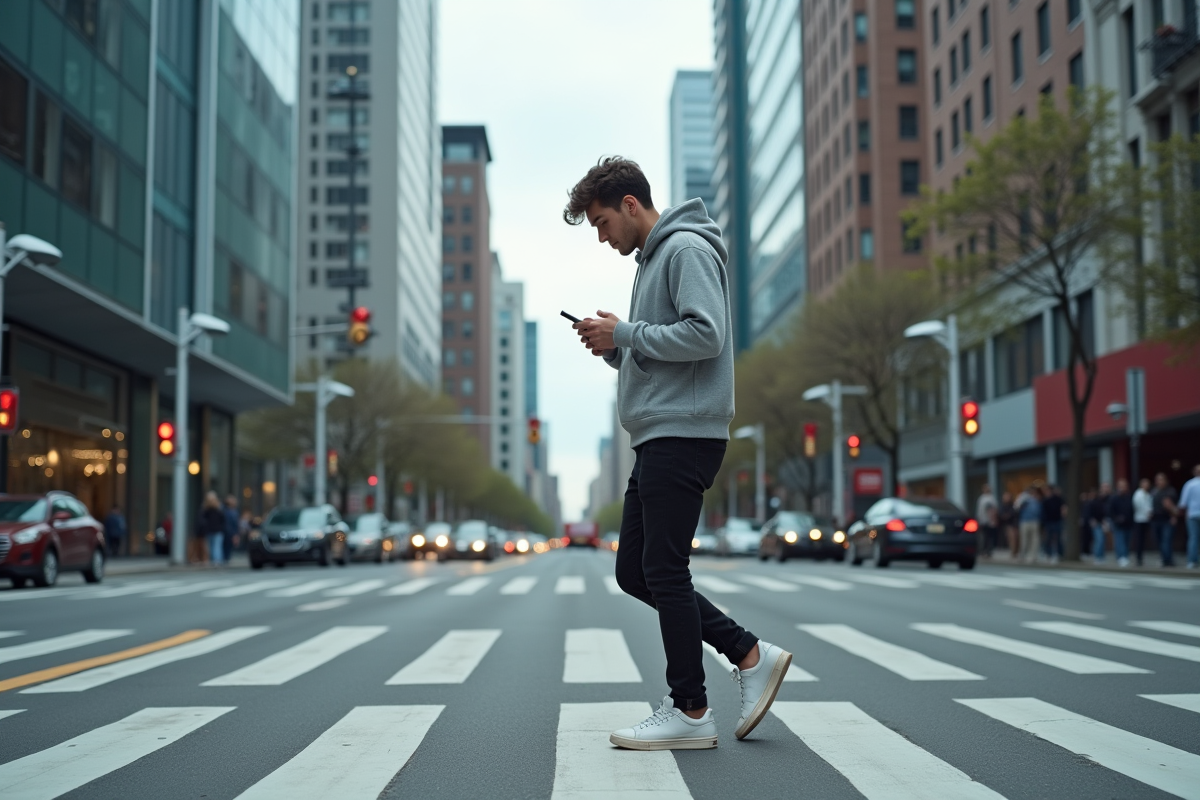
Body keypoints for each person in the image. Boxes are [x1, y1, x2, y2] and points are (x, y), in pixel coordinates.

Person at [565, 157, 792, 751]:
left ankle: (691, 710)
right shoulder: (653, 260)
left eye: (602, 221)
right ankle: (746, 652)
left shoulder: (684, 249)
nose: (601, 235)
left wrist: (626, 334)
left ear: (631, 205)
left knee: (663, 570)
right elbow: (669, 350)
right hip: (660, 433)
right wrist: (616, 347)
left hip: (683, 434)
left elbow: (706, 335)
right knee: (635, 569)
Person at [1151, 473, 1179, 567]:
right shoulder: (1154, 492)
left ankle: (1168, 561)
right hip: (1156, 519)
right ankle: (1164, 558)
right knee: (1159, 541)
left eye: (1161, 479)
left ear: (1165, 481)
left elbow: (1175, 508)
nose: (1159, 482)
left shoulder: (1170, 491)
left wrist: (1173, 513)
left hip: (1167, 519)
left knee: (1166, 540)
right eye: (1157, 480)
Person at [1106, 479, 1134, 568]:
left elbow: (1132, 510)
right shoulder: (1114, 498)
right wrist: (1116, 519)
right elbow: (1110, 511)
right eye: (1121, 486)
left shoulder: (1129, 497)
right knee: (1120, 541)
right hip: (1118, 524)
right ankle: (1121, 557)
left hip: (1128, 524)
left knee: (1127, 541)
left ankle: (1125, 556)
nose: (1123, 488)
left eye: (1124, 486)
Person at [1179, 464, 1200, 569]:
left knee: (1193, 538)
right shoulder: (1190, 484)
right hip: (1193, 514)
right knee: (1194, 538)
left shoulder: (1189, 484)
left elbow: (1183, 503)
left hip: (1192, 514)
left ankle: (1192, 561)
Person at [1015, 485, 1042, 563]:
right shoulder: (1024, 499)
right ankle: (1022, 555)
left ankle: (1033, 556)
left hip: (1035, 521)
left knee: (1034, 540)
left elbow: (1039, 511)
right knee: (1025, 539)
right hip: (1025, 521)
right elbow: (1017, 507)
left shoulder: (1037, 500)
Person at [198, 492, 225, 565]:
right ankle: (216, 561)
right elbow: (223, 520)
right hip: (216, 530)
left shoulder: (206, 509)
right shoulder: (219, 508)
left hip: (211, 530)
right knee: (216, 546)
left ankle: (215, 560)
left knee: (212, 546)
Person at [1132, 477, 1154, 567]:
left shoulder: (1148, 494)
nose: (1147, 485)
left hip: (1146, 519)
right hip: (1139, 519)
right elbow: (1138, 505)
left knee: (1144, 539)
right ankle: (1139, 558)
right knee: (1139, 540)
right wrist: (1147, 512)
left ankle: (1141, 558)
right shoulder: (1138, 494)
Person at [1041, 485, 1064, 564]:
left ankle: (1058, 554)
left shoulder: (1057, 499)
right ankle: (1048, 554)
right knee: (1048, 539)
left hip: (1056, 520)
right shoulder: (1045, 500)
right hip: (1048, 522)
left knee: (1058, 538)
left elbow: (1063, 509)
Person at [1090, 482, 1112, 563]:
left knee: (1103, 540)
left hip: (1105, 521)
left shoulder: (1110, 499)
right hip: (1097, 522)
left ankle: (1101, 556)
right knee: (1099, 539)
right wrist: (1092, 519)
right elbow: (1091, 509)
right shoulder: (1096, 499)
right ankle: (1097, 556)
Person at [975, 484, 998, 557]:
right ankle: (982, 550)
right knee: (983, 537)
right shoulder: (981, 498)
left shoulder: (992, 498)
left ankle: (989, 550)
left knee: (989, 536)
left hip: (990, 521)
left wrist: (994, 519)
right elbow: (979, 510)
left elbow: (995, 509)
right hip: (982, 520)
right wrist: (978, 519)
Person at [998, 491, 1018, 558]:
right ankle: (1013, 552)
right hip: (1007, 525)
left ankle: (1015, 552)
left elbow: (1013, 513)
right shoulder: (1003, 506)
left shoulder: (1013, 505)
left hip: (1013, 524)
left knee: (1015, 538)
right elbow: (1001, 515)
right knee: (1010, 539)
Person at [223, 495, 240, 564]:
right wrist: (235, 534)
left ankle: (225, 560)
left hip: (227, 532)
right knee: (227, 548)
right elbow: (234, 524)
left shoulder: (226, 511)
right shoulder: (232, 512)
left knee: (227, 548)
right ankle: (225, 560)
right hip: (229, 533)